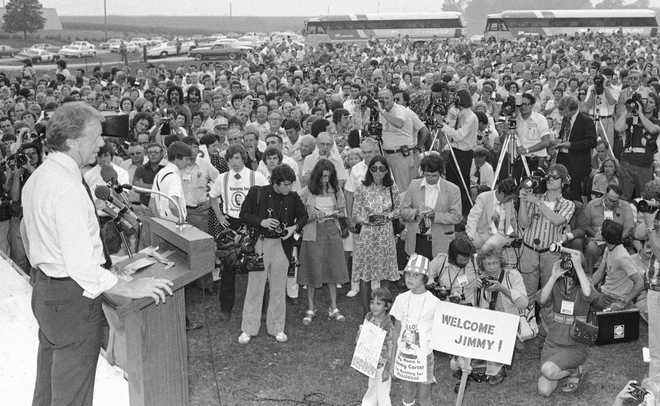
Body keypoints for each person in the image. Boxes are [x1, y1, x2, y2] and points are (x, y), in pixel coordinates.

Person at [21, 101, 173, 406]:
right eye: (96, 136)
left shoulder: (40, 176)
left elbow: (28, 234)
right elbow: (81, 267)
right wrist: (130, 286)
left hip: (47, 292)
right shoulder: (67, 187)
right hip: (73, 299)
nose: (102, 142)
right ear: (74, 141)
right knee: (72, 396)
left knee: (49, 390)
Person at [238, 164, 308, 344]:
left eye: (291, 184)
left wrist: (293, 228)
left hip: (282, 247)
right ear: (275, 182)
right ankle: (248, 328)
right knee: (255, 288)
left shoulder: (293, 197)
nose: (289, 187)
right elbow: (243, 214)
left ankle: (277, 327)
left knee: (278, 289)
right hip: (260, 245)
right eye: (285, 184)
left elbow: (304, 217)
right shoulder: (257, 192)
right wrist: (261, 221)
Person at [451, 248, 528, 386]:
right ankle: (480, 362)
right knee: (455, 364)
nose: (492, 267)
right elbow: (470, 307)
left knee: (493, 369)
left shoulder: (512, 275)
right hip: (486, 325)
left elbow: (523, 303)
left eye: (494, 263)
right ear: (482, 265)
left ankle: (498, 362)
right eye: (488, 264)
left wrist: (502, 289)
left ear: (500, 262)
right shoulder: (480, 278)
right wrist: (474, 289)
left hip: (507, 323)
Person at [208, 144, 268, 321]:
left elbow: (268, 195)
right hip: (231, 223)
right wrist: (219, 216)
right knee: (228, 268)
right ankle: (226, 308)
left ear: (244, 158)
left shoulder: (256, 176)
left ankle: (260, 308)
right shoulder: (221, 178)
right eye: (231, 158)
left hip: (251, 224)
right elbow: (213, 198)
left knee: (256, 266)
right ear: (227, 160)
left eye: (238, 158)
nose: (235, 162)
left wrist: (260, 218)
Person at [298, 159, 349, 325]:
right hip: (313, 233)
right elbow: (299, 214)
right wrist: (312, 216)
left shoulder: (336, 191)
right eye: (322, 176)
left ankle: (333, 307)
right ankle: (311, 307)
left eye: (328, 176)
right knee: (312, 269)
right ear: (317, 176)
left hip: (332, 232)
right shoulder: (307, 192)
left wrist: (335, 213)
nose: (325, 179)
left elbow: (343, 212)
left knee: (333, 269)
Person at [537, 250, 593, 397]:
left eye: (572, 263)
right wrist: (553, 276)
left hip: (575, 346)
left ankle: (575, 370)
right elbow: (542, 300)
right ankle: (564, 371)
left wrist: (579, 267)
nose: (569, 265)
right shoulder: (557, 284)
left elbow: (588, 294)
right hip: (553, 344)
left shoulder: (584, 285)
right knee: (544, 391)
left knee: (548, 371)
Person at [518, 164, 576, 298]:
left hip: (550, 254)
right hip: (528, 251)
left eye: (555, 177)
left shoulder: (568, 204)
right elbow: (523, 223)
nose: (550, 179)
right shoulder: (535, 197)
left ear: (563, 182)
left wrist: (537, 202)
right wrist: (523, 200)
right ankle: (527, 319)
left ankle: (545, 320)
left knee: (548, 295)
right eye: (548, 176)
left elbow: (557, 220)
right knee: (526, 294)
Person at [352, 156, 401, 315]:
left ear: (387, 170)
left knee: (385, 274)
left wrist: (388, 217)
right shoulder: (362, 187)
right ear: (369, 170)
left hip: (385, 234)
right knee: (365, 276)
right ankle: (367, 313)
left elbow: (399, 209)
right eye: (374, 168)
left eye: (381, 168)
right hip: (368, 235)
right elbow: (355, 214)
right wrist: (367, 220)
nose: (377, 172)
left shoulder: (391, 188)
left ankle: (382, 312)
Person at [390, 254, 440, 406]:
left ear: (425, 278)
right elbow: (396, 330)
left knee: (424, 397)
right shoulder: (401, 298)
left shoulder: (435, 303)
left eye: (416, 275)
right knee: (407, 394)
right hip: (404, 356)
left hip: (424, 356)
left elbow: (442, 333)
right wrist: (392, 361)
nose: (410, 278)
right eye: (408, 274)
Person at [400, 153, 462, 259]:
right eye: (427, 175)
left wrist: (435, 215)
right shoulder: (414, 185)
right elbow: (403, 211)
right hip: (417, 240)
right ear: (422, 172)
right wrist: (416, 212)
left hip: (441, 241)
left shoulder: (453, 189)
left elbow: (457, 217)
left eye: (434, 176)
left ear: (441, 173)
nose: (430, 179)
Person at [614, 92, 660, 200]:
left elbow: (652, 129)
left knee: (644, 199)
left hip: (644, 165)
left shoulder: (656, 121)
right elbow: (617, 128)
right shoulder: (632, 119)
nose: (647, 104)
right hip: (627, 163)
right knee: (623, 198)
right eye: (645, 101)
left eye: (651, 102)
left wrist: (640, 113)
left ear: (655, 106)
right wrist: (627, 110)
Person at [440, 89, 478, 215]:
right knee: (451, 180)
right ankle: (453, 208)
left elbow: (460, 135)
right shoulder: (460, 113)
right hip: (454, 150)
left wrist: (444, 128)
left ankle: (465, 210)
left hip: (464, 153)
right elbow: (453, 128)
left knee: (461, 182)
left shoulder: (471, 117)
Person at [591, 220, 643, 310]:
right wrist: (588, 285)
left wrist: (623, 303)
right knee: (583, 293)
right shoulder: (609, 248)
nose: (599, 231)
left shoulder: (621, 257)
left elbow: (639, 283)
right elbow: (600, 272)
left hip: (614, 299)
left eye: (601, 230)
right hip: (605, 293)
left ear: (605, 237)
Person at [555, 96, 597, 202]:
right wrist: (558, 142)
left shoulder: (586, 121)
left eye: (565, 112)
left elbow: (592, 142)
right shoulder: (566, 119)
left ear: (572, 109)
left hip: (577, 162)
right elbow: (563, 135)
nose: (563, 115)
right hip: (562, 158)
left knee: (575, 191)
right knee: (563, 188)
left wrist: (572, 145)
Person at [359, 288, 395, 406]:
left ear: (387, 306)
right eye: (372, 303)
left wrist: (387, 368)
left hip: (383, 364)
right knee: (372, 386)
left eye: (378, 303)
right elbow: (363, 340)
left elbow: (391, 347)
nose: (374, 306)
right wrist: (360, 335)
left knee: (383, 393)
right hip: (371, 360)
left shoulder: (388, 325)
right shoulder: (369, 317)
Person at [378, 88, 418, 191]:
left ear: (393, 99)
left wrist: (382, 112)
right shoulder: (383, 110)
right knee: (391, 188)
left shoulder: (399, 109)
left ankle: (405, 207)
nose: (384, 101)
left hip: (400, 155)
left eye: (387, 98)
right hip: (388, 155)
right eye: (381, 98)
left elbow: (399, 123)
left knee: (403, 189)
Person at [513, 93, 552, 184]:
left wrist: (527, 150)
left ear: (532, 105)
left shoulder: (540, 119)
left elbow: (546, 142)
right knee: (518, 185)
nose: (522, 107)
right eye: (521, 104)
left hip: (536, 159)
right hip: (520, 159)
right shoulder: (515, 119)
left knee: (534, 187)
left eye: (526, 104)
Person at [150, 141, 194, 223]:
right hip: (176, 224)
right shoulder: (174, 177)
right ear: (177, 158)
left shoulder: (160, 173)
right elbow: (172, 205)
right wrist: (182, 221)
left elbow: (152, 204)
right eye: (187, 159)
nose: (188, 163)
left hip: (163, 224)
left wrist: (161, 222)